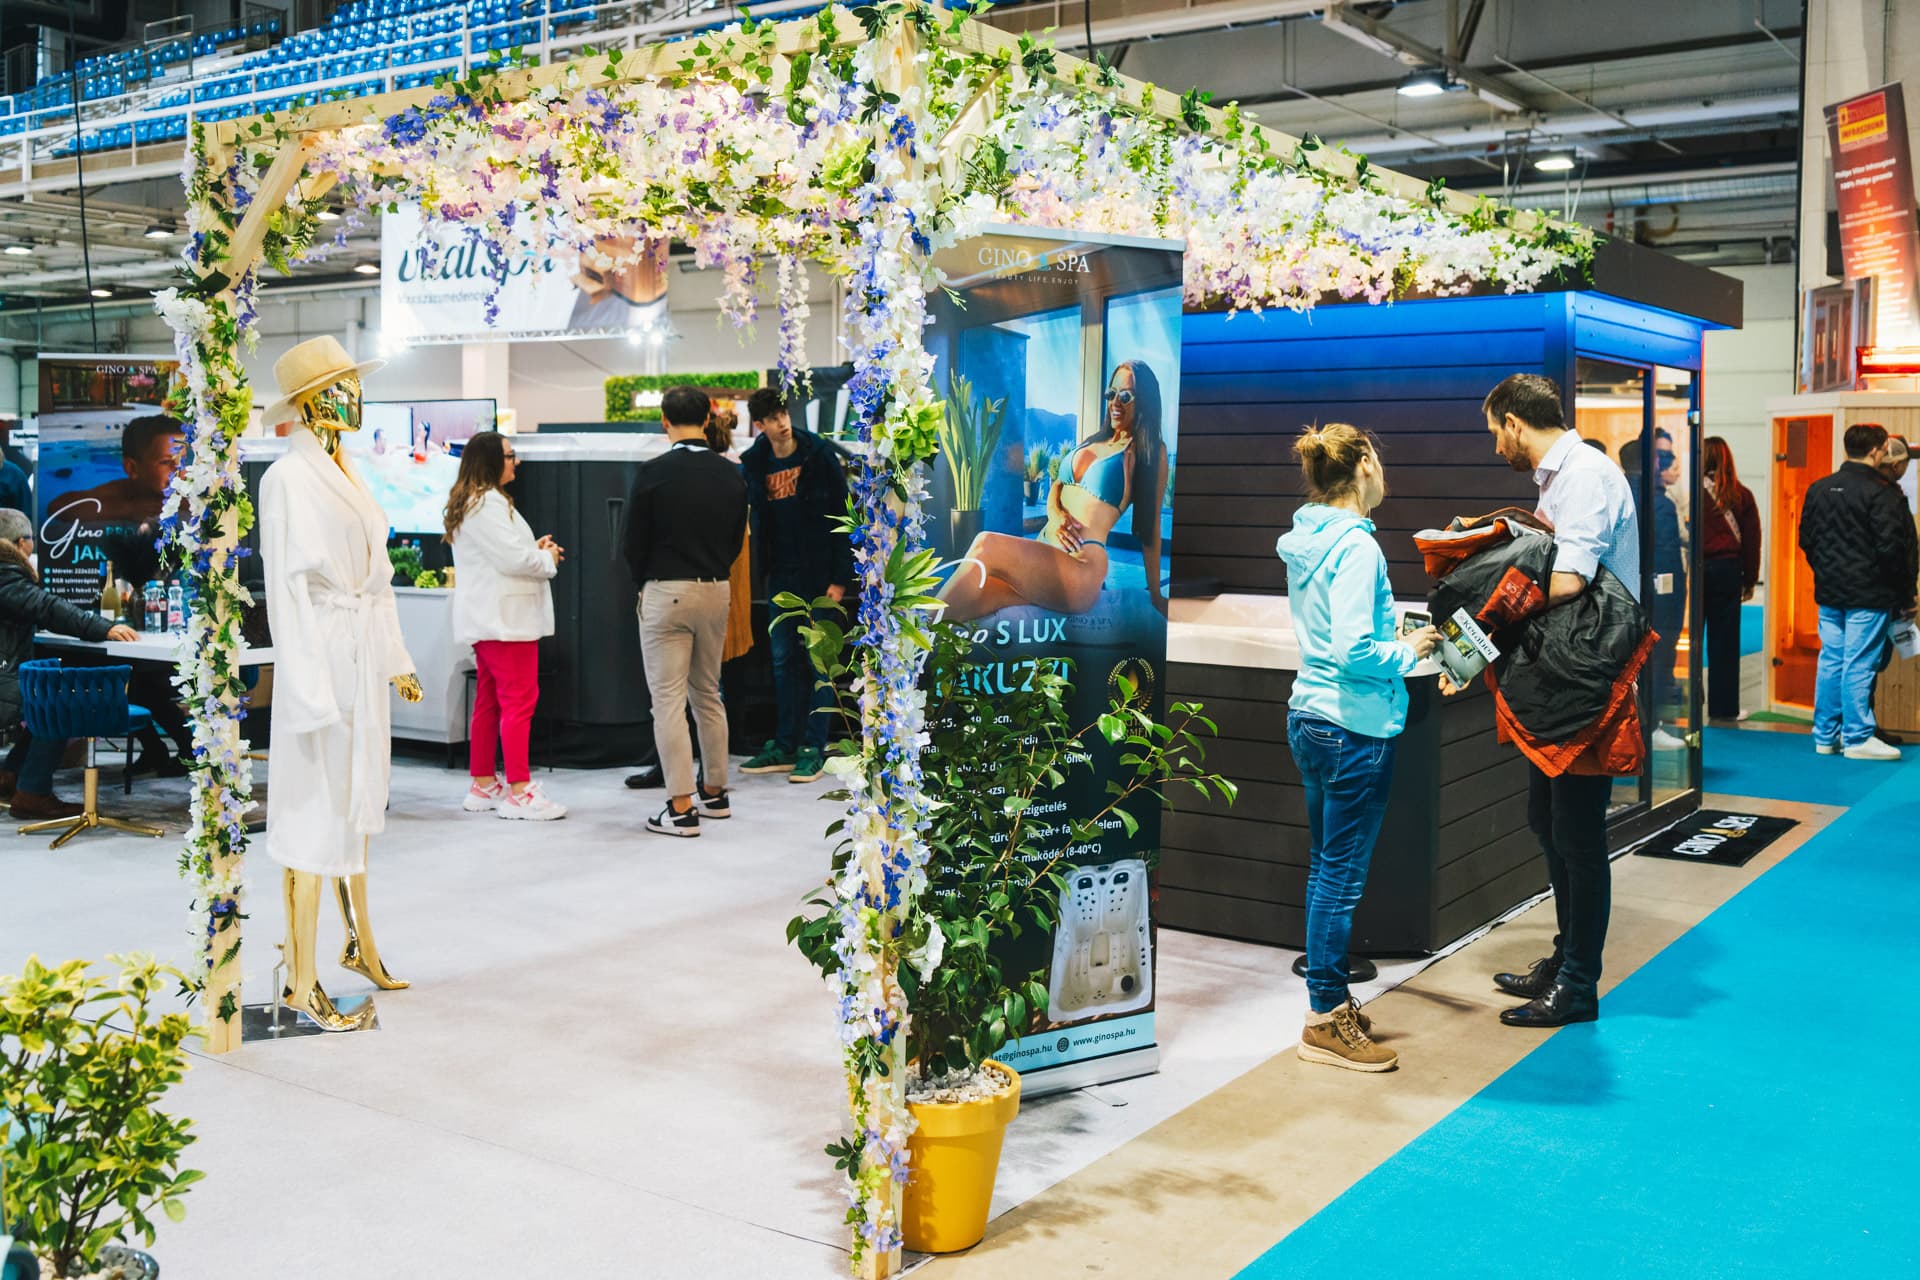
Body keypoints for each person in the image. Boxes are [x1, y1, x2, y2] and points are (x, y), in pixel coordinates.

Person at [259, 336, 422, 1032]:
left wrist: (396, 659)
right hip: (322, 659)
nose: (354, 396)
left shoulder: (347, 472)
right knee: (311, 815)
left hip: (358, 654)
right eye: (339, 387)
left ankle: (359, 944)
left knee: (356, 802)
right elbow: (285, 592)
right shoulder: (286, 478)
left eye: (354, 383)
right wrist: (305, 689)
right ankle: (301, 982)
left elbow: (376, 584)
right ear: (309, 403)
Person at [1475, 373, 1640, 1029]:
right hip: (1563, 678)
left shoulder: (1585, 476)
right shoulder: (1559, 479)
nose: (1496, 447)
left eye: (1496, 432)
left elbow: (1568, 580)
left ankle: (1578, 984)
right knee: (1548, 822)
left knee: (1577, 834)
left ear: (1516, 422)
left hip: (1588, 684)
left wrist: (1487, 617)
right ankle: (1565, 957)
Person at [1276, 425, 1439, 1072]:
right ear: (1365, 463)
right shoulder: (1357, 547)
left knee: (1326, 871)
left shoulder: (1308, 539)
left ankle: (1330, 1000)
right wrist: (1408, 651)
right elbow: (1354, 650)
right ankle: (1324, 1019)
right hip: (1352, 728)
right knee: (1339, 881)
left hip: (1313, 717)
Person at [937, 360, 1168, 621]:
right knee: (975, 599)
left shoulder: (1147, 453)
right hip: (1046, 554)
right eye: (1111, 393)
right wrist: (1056, 514)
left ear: (1145, 401)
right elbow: (1057, 486)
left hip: (1080, 567)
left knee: (985, 544)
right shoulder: (1095, 440)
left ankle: (916, 634)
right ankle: (922, 639)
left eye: (1125, 396)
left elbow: (1151, 527)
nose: (1115, 402)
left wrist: (1156, 595)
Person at [624, 387, 748, 837]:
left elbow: (632, 542)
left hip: (667, 589)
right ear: (708, 419)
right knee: (708, 694)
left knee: (668, 702)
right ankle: (714, 793)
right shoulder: (732, 474)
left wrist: (645, 582)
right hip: (716, 589)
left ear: (665, 421)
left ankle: (680, 808)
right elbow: (736, 540)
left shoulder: (653, 473)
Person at [445, 432, 566, 820]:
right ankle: (519, 791)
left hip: (494, 618)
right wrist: (546, 558)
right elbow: (512, 560)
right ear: (490, 462)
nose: (517, 462)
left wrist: (534, 550)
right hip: (504, 621)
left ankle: (484, 783)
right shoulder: (486, 504)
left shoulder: (477, 502)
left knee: (491, 700)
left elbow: (505, 554)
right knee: (519, 701)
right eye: (511, 456)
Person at [738, 388, 853, 785]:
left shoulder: (819, 455)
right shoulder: (755, 462)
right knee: (783, 661)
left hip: (820, 576)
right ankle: (786, 744)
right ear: (760, 424)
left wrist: (840, 578)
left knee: (820, 662)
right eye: (772, 418)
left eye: (784, 413)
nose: (782, 422)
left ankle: (813, 748)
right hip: (780, 576)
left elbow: (843, 516)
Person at [0, 507, 138, 820]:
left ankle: (12, 775)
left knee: (44, 695)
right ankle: (33, 793)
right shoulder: (5, 575)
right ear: (21, 543)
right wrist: (103, 627)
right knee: (58, 702)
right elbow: (47, 607)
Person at [1796, 423, 1916, 761]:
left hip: (1830, 592)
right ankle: (1858, 736)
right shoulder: (1882, 493)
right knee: (1859, 663)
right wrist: (1905, 595)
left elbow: (1807, 540)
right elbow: (1892, 550)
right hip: (1869, 595)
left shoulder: (1819, 488)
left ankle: (1825, 735)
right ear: (1877, 451)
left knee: (1831, 661)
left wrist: (1828, 571)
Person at [1618, 439, 1685, 749]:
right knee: (1656, 663)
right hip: (1656, 599)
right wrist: (1674, 604)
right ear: (1652, 463)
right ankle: (1651, 727)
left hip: (1624, 595)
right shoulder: (1658, 503)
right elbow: (1667, 560)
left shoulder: (1619, 494)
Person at [1700, 437, 1762, 722]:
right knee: (1724, 642)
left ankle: (1690, 705)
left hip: (1696, 570)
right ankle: (1724, 708)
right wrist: (1750, 580)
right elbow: (1752, 541)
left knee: (1691, 641)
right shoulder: (1741, 495)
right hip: (1727, 570)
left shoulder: (1691, 493)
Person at [49, 415, 184, 523]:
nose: (179, 469)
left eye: (182, 460)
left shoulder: (187, 492)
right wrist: (129, 510)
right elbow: (57, 506)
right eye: (166, 462)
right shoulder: (124, 491)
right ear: (132, 468)